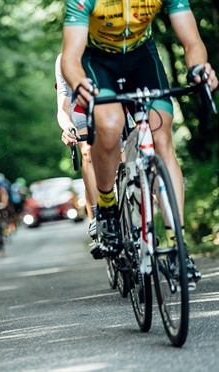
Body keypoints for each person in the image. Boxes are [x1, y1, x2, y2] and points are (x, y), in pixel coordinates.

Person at [61, 0, 218, 287]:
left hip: (142, 58)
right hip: (97, 61)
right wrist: (80, 85)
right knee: (109, 128)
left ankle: (177, 247)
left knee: (162, 138)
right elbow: (69, 57)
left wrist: (198, 68)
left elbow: (191, 40)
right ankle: (107, 205)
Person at [54, 53, 98, 238]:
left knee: (125, 152)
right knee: (88, 150)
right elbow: (63, 109)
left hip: (116, 100)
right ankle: (97, 215)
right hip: (81, 106)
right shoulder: (66, 58)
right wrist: (68, 128)